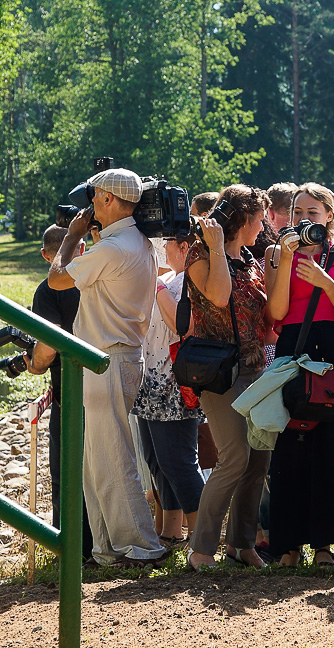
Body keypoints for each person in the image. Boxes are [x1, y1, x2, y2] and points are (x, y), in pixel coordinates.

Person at [47, 167, 168, 567]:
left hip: (108, 358)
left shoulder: (114, 248)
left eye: (95, 198)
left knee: (113, 457)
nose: (91, 206)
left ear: (110, 200)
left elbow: (58, 279)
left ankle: (141, 546)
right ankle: (108, 548)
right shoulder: (135, 242)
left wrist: (71, 238)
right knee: (96, 459)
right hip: (114, 355)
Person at [265, 183, 334, 570]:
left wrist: (324, 278)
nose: (305, 219)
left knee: (333, 446)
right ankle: (289, 545)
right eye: (298, 213)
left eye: (313, 212)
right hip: (295, 348)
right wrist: (288, 262)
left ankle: (325, 544)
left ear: (328, 216)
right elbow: (276, 313)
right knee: (290, 448)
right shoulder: (278, 252)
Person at [184, 185, 273, 570]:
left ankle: (240, 544)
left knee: (259, 460)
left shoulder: (252, 261)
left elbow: (266, 319)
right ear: (242, 219)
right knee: (235, 456)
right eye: (259, 219)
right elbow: (219, 297)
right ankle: (201, 548)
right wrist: (217, 247)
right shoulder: (200, 255)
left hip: (257, 370)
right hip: (219, 374)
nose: (264, 225)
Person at [132, 232, 205, 549]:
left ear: (184, 247)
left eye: (166, 243)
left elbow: (181, 325)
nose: (160, 250)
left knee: (179, 461)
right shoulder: (174, 278)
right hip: (152, 380)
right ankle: (172, 532)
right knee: (156, 461)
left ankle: (203, 538)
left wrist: (156, 284)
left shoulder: (191, 281)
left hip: (175, 384)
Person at [24, 225, 92, 558]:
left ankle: (71, 549)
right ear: (81, 248)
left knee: (66, 474)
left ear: (45, 255)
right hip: (108, 386)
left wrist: (34, 365)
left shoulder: (48, 289)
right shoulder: (97, 278)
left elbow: (48, 346)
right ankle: (103, 545)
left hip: (69, 393)